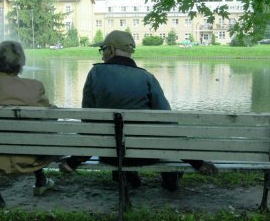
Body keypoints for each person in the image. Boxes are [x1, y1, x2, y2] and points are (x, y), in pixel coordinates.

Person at [59, 30, 217, 191]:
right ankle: (168, 176)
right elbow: (169, 123)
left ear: (112, 50)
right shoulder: (147, 77)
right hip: (146, 155)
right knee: (161, 136)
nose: (102, 55)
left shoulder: (95, 73)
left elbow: (88, 120)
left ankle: (127, 177)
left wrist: (76, 159)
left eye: (103, 50)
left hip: (110, 156)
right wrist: (197, 162)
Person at [0, 40, 56, 197]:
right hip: (28, 158)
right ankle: (40, 180)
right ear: (22, 62)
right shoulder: (35, 87)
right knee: (33, 133)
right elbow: (48, 120)